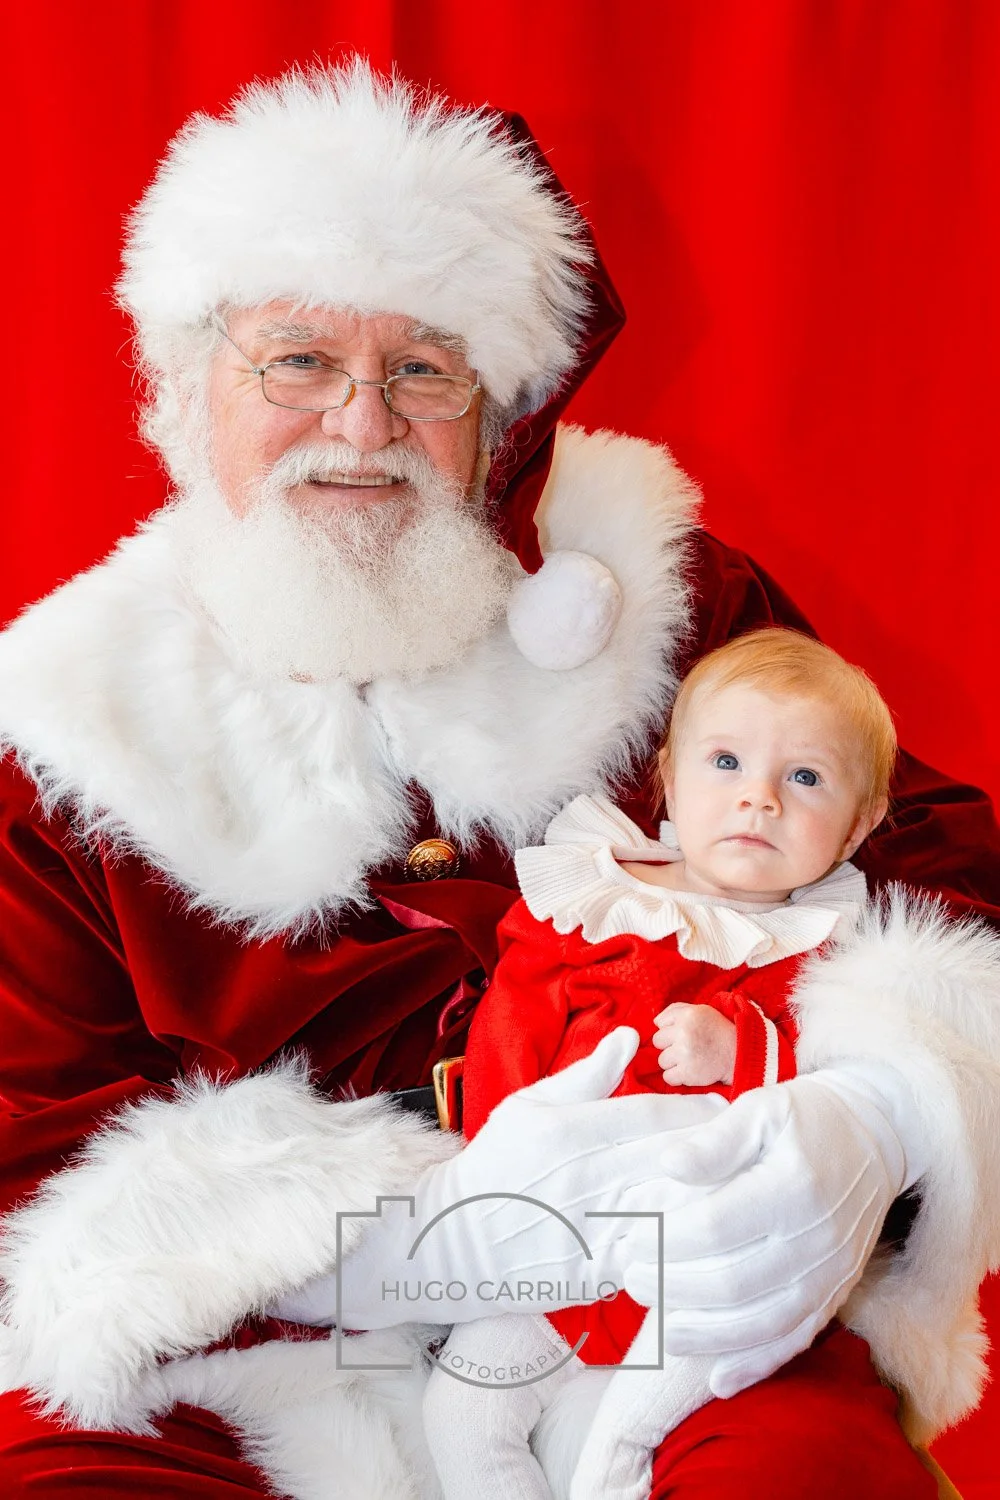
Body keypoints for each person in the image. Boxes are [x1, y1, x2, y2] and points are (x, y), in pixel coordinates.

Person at [0, 59, 998, 1499]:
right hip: (249, 1357)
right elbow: (30, 1174)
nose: (359, 423)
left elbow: (938, 869)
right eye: (298, 360)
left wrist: (875, 1117)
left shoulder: (670, 611)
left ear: (500, 409)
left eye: (421, 368)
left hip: (668, 1301)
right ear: (182, 380)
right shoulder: (65, 731)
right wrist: (378, 1250)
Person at [424, 627, 905, 1500]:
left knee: (629, 1436)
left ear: (858, 824)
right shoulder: (596, 898)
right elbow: (512, 1021)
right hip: (558, 1238)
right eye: (726, 762)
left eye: (805, 778)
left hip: (707, 1262)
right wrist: (499, 1162)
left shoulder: (824, 949)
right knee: (461, 1409)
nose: (758, 799)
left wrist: (748, 1048)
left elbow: (858, 1080)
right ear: (668, 780)